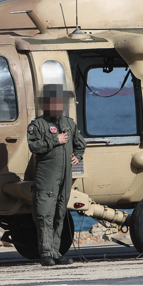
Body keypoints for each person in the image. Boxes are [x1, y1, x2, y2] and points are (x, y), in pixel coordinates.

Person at [26, 83, 85, 267]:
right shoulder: (37, 125)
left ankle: (56, 252)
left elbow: (80, 144)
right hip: (47, 177)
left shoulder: (69, 124)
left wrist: (77, 156)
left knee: (60, 214)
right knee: (45, 214)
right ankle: (46, 254)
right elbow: (33, 146)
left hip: (65, 178)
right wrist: (55, 140)